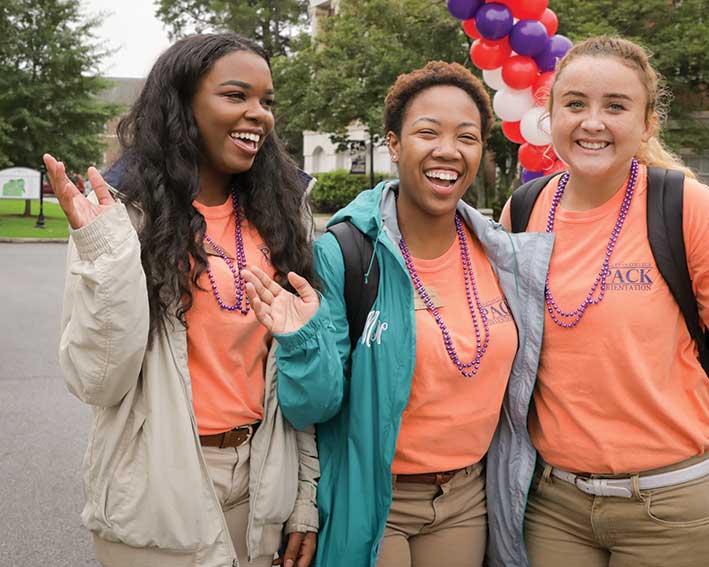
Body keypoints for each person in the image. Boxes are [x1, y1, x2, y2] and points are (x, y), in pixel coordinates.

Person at [498, 36, 709, 567]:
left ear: (647, 123)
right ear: (550, 115)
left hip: (674, 506)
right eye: (574, 104)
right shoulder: (525, 209)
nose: (592, 122)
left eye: (616, 106)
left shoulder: (683, 205)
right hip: (554, 505)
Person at [244, 61, 553, 567]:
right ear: (393, 143)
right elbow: (311, 408)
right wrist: (301, 341)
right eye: (427, 132)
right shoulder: (344, 254)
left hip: (468, 498)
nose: (448, 150)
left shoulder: (505, 256)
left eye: (467, 137)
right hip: (373, 498)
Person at [45, 33, 324, 567]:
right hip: (155, 492)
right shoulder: (124, 216)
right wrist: (106, 257)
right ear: (182, 103)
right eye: (235, 96)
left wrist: (304, 499)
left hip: (261, 484)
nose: (258, 114)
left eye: (267, 101)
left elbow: (294, 377)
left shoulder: (282, 216)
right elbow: (96, 379)